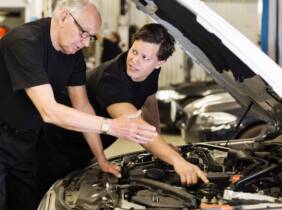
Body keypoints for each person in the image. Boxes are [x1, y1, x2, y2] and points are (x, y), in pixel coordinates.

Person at [0, 1, 157, 210]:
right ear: (64, 17)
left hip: (27, 142)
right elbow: (49, 111)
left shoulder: (73, 56)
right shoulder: (24, 42)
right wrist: (110, 126)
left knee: (26, 202)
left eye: (90, 37)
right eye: (84, 33)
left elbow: (82, 105)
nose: (86, 43)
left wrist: (100, 158)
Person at [38, 23, 209, 197]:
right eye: (133, 51)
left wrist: (160, 144)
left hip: (89, 143)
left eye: (144, 57)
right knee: (49, 195)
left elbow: (149, 102)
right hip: (55, 143)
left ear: (159, 63)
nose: (135, 61)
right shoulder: (112, 80)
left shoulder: (150, 71)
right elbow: (137, 128)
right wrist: (178, 162)